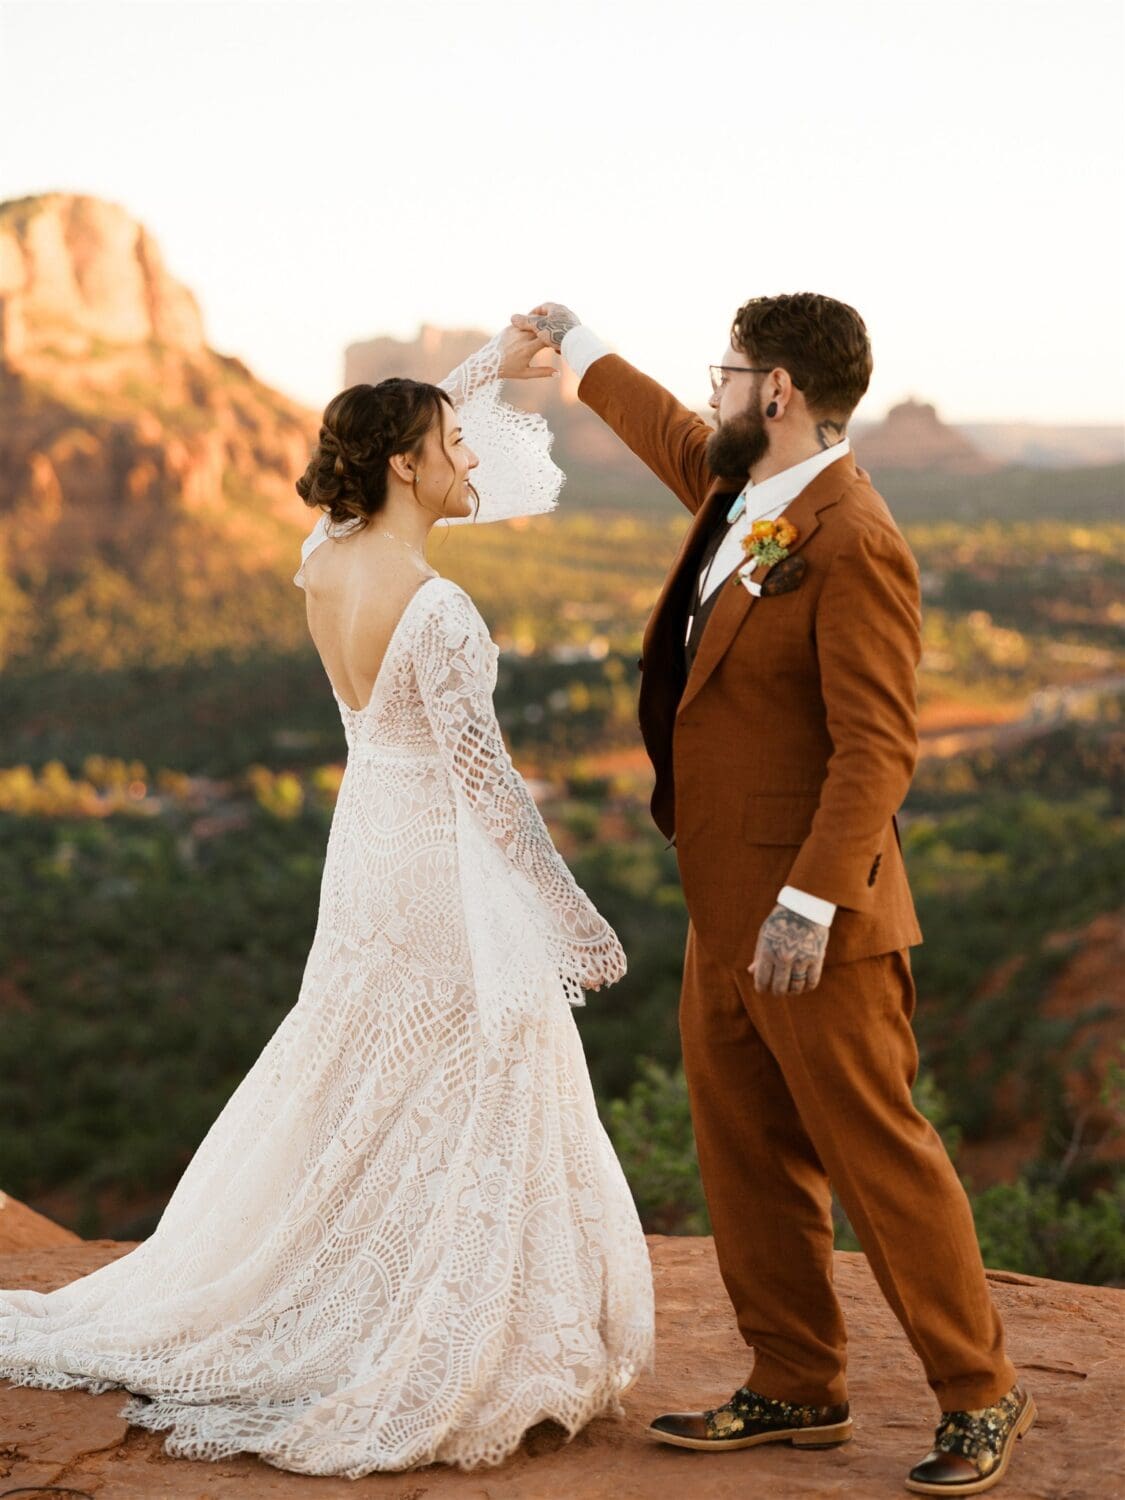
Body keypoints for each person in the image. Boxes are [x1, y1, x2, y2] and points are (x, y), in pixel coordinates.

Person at [0, 325, 654, 1476]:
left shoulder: (328, 556)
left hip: (366, 857)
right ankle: (423, 1323)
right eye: (458, 446)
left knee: (362, 1059)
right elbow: (491, 791)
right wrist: (571, 918)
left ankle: (350, 1279)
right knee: (484, 1069)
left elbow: (388, 445)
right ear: (407, 465)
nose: (475, 463)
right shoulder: (440, 609)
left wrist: (482, 371)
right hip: (440, 866)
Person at [513, 295, 1034, 1496]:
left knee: (876, 1157)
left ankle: (982, 1394)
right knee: (746, 1151)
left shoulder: (853, 536)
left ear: (780, 392)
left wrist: (807, 905)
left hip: (818, 924)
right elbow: (664, 432)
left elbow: (876, 749)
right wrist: (578, 343)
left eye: (729, 374)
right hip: (722, 904)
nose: (713, 392)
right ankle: (797, 1383)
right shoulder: (741, 489)